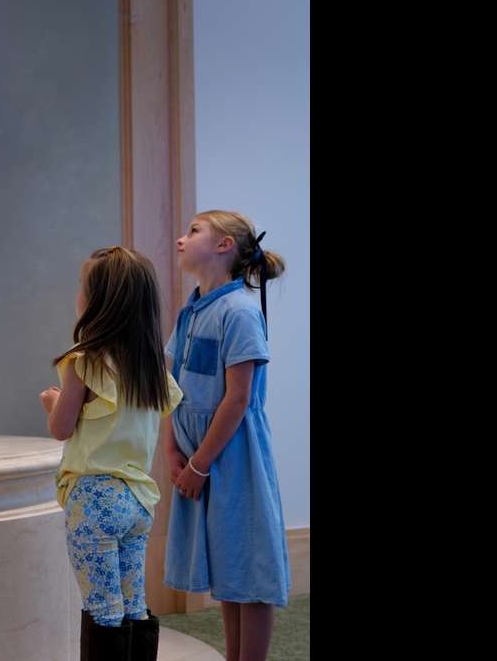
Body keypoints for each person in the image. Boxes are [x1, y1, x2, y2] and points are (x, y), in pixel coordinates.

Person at [40, 246, 183, 661]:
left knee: (103, 612)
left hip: (94, 498)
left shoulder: (83, 362)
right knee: (133, 603)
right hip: (139, 500)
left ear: (96, 302)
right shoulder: (153, 367)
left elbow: (60, 429)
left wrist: (52, 403)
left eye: (82, 287)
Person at [162, 210, 290, 661]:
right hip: (197, 456)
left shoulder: (239, 312)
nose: (181, 238)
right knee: (229, 568)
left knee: (251, 571)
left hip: (233, 455)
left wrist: (199, 464)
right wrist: (173, 449)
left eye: (193, 231)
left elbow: (237, 399)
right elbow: (171, 388)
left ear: (224, 247)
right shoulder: (191, 310)